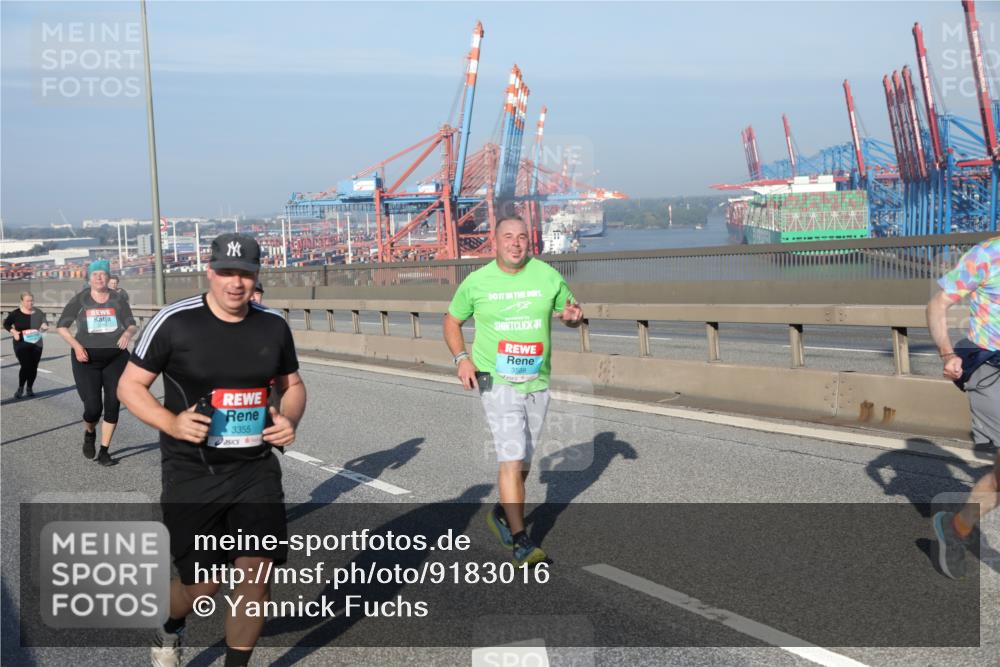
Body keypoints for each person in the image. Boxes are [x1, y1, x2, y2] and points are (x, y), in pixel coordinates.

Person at [117, 234, 306, 667]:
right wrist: (171, 422)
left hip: (254, 469)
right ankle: (168, 623)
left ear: (257, 276)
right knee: (203, 587)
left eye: (245, 273)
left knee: (257, 576)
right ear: (210, 271)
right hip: (192, 471)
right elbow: (130, 386)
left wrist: (289, 419)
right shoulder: (175, 321)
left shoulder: (273, 324)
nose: (235, 283)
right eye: (226, 272)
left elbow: (291, 386)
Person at [443, 215, 583, 567]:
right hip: (496, 380)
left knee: (525, 460)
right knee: (512, 455)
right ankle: (521, 541)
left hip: (536, 380)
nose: (516, 243)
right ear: (496, 242)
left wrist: (572, 317)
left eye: (522, 237)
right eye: (508, 237)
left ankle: (504, 513)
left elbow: (570, 314)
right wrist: (462, 358)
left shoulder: (548, 275)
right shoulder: (477, 282)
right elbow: (451, 320)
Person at [927, 235, 1000, 579]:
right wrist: (947, 353)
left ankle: (957, 528)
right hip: (990, 368)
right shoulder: (988, 254)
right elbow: (938, 304)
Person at [56, 259, 137, 466]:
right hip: (86, 359)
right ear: (89, 278)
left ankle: (104, 451)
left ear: (109, 277)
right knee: (93, 408)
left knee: (112, 404)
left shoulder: (118, 299)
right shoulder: (80, 299)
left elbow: (131, 324)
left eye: (103, 274)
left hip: (116, 357)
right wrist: (76, 346)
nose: (100, 277)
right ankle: (89, 432)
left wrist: (127, 333)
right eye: (95, 274)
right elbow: (62, 327)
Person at [4, 291, 49, 398]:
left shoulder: (38, 312)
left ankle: (29, 388)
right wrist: (14, 332)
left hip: (36, 343)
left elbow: (45, 323)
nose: (30, 303)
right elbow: (6, 324)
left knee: (34, 366)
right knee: (26, 365)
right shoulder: (16, 313)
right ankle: (20, 388)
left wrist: (44, 326)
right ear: (22, 302)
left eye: (32, 301)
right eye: (28, 301)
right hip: (21, 343)